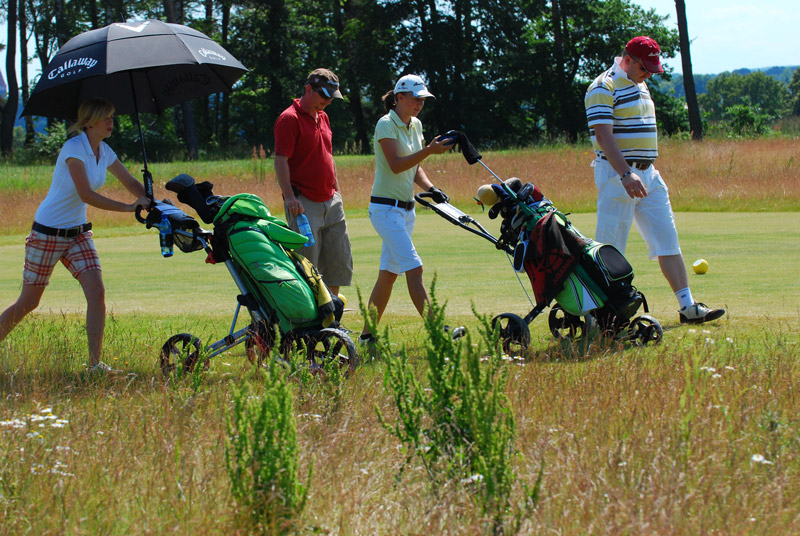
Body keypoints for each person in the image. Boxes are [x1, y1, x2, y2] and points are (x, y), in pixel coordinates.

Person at [0, 98, 150, 372]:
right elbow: (86, 194)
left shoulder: (104, 150)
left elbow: (129, 182)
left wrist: (153, 201)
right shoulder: (73, 148)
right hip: (47, 232)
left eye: (112, 117)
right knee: (29, 302)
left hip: (78, 234)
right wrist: (129, 208)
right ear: (89, 121)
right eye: (106, 117)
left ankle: (95, 365)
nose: (111, 122)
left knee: (97, 292)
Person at [585, 36, 725, 325]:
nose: (649, 73)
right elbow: (602, 135)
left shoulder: (640, 82)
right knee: (610, 249)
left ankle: (688, 307)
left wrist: (639, 172)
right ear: (628, 59)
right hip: (617, 175)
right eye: (645, 67)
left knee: (667, 239)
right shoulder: (603, 86)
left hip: (648, 174)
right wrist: (626, 173)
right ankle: (600, 316)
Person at [359, 74, 456, 344]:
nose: (419, 104)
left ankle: (367, 336)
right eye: (415, 98)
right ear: (399, 97)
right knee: (415, 269)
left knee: (389, 276)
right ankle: (438, 331)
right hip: (384, 210)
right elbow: (396, 164)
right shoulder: (385, 124)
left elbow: (415, 168)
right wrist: (429, 150)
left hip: (407, 211)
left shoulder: (416, 124)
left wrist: (429, 187)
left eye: (423, 100)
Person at [273, 68, 353, 297]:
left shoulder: (324, 117)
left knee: (338, 263)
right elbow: (281, 161)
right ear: (309, 89)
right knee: (307, 267)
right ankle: (309, 325)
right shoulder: (289, 119)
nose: (328, 102)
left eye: (331, 98)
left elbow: (328, 155)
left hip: (332, 200)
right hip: (304, 203)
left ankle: (332, 320)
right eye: (325, 96)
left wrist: (337, 190)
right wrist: (289, 197)